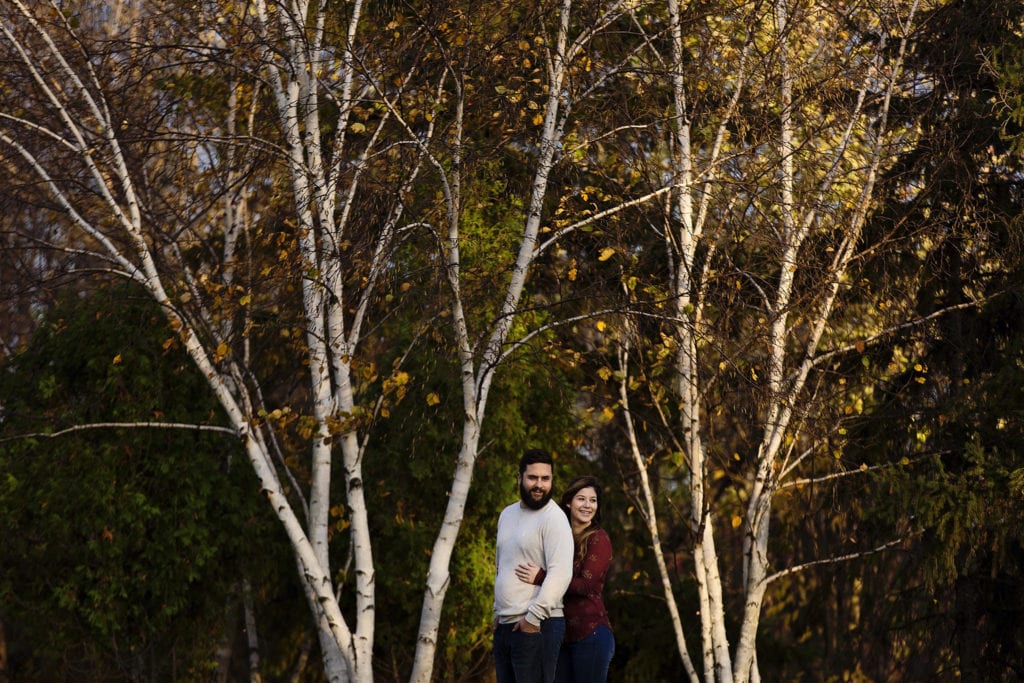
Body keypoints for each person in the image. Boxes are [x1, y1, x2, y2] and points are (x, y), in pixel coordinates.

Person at [516, 475, 615, 683]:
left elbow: (585, 586)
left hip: (591, 634)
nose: (588, 505)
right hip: (560, 635)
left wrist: (542, 577)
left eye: (593, 500)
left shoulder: (599, 539)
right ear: (569, 502)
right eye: (581, 499)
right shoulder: (558, 536)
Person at [493, 449, 575, 683]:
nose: (539, 485)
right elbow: (501, 565)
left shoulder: (554, 518)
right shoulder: (507, 514)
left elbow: (561, 574)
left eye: (545, 479)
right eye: (532, 478)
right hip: (505, 625)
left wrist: (533, 618)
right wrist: (496, 611)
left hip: (539, 625)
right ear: (519, 478)